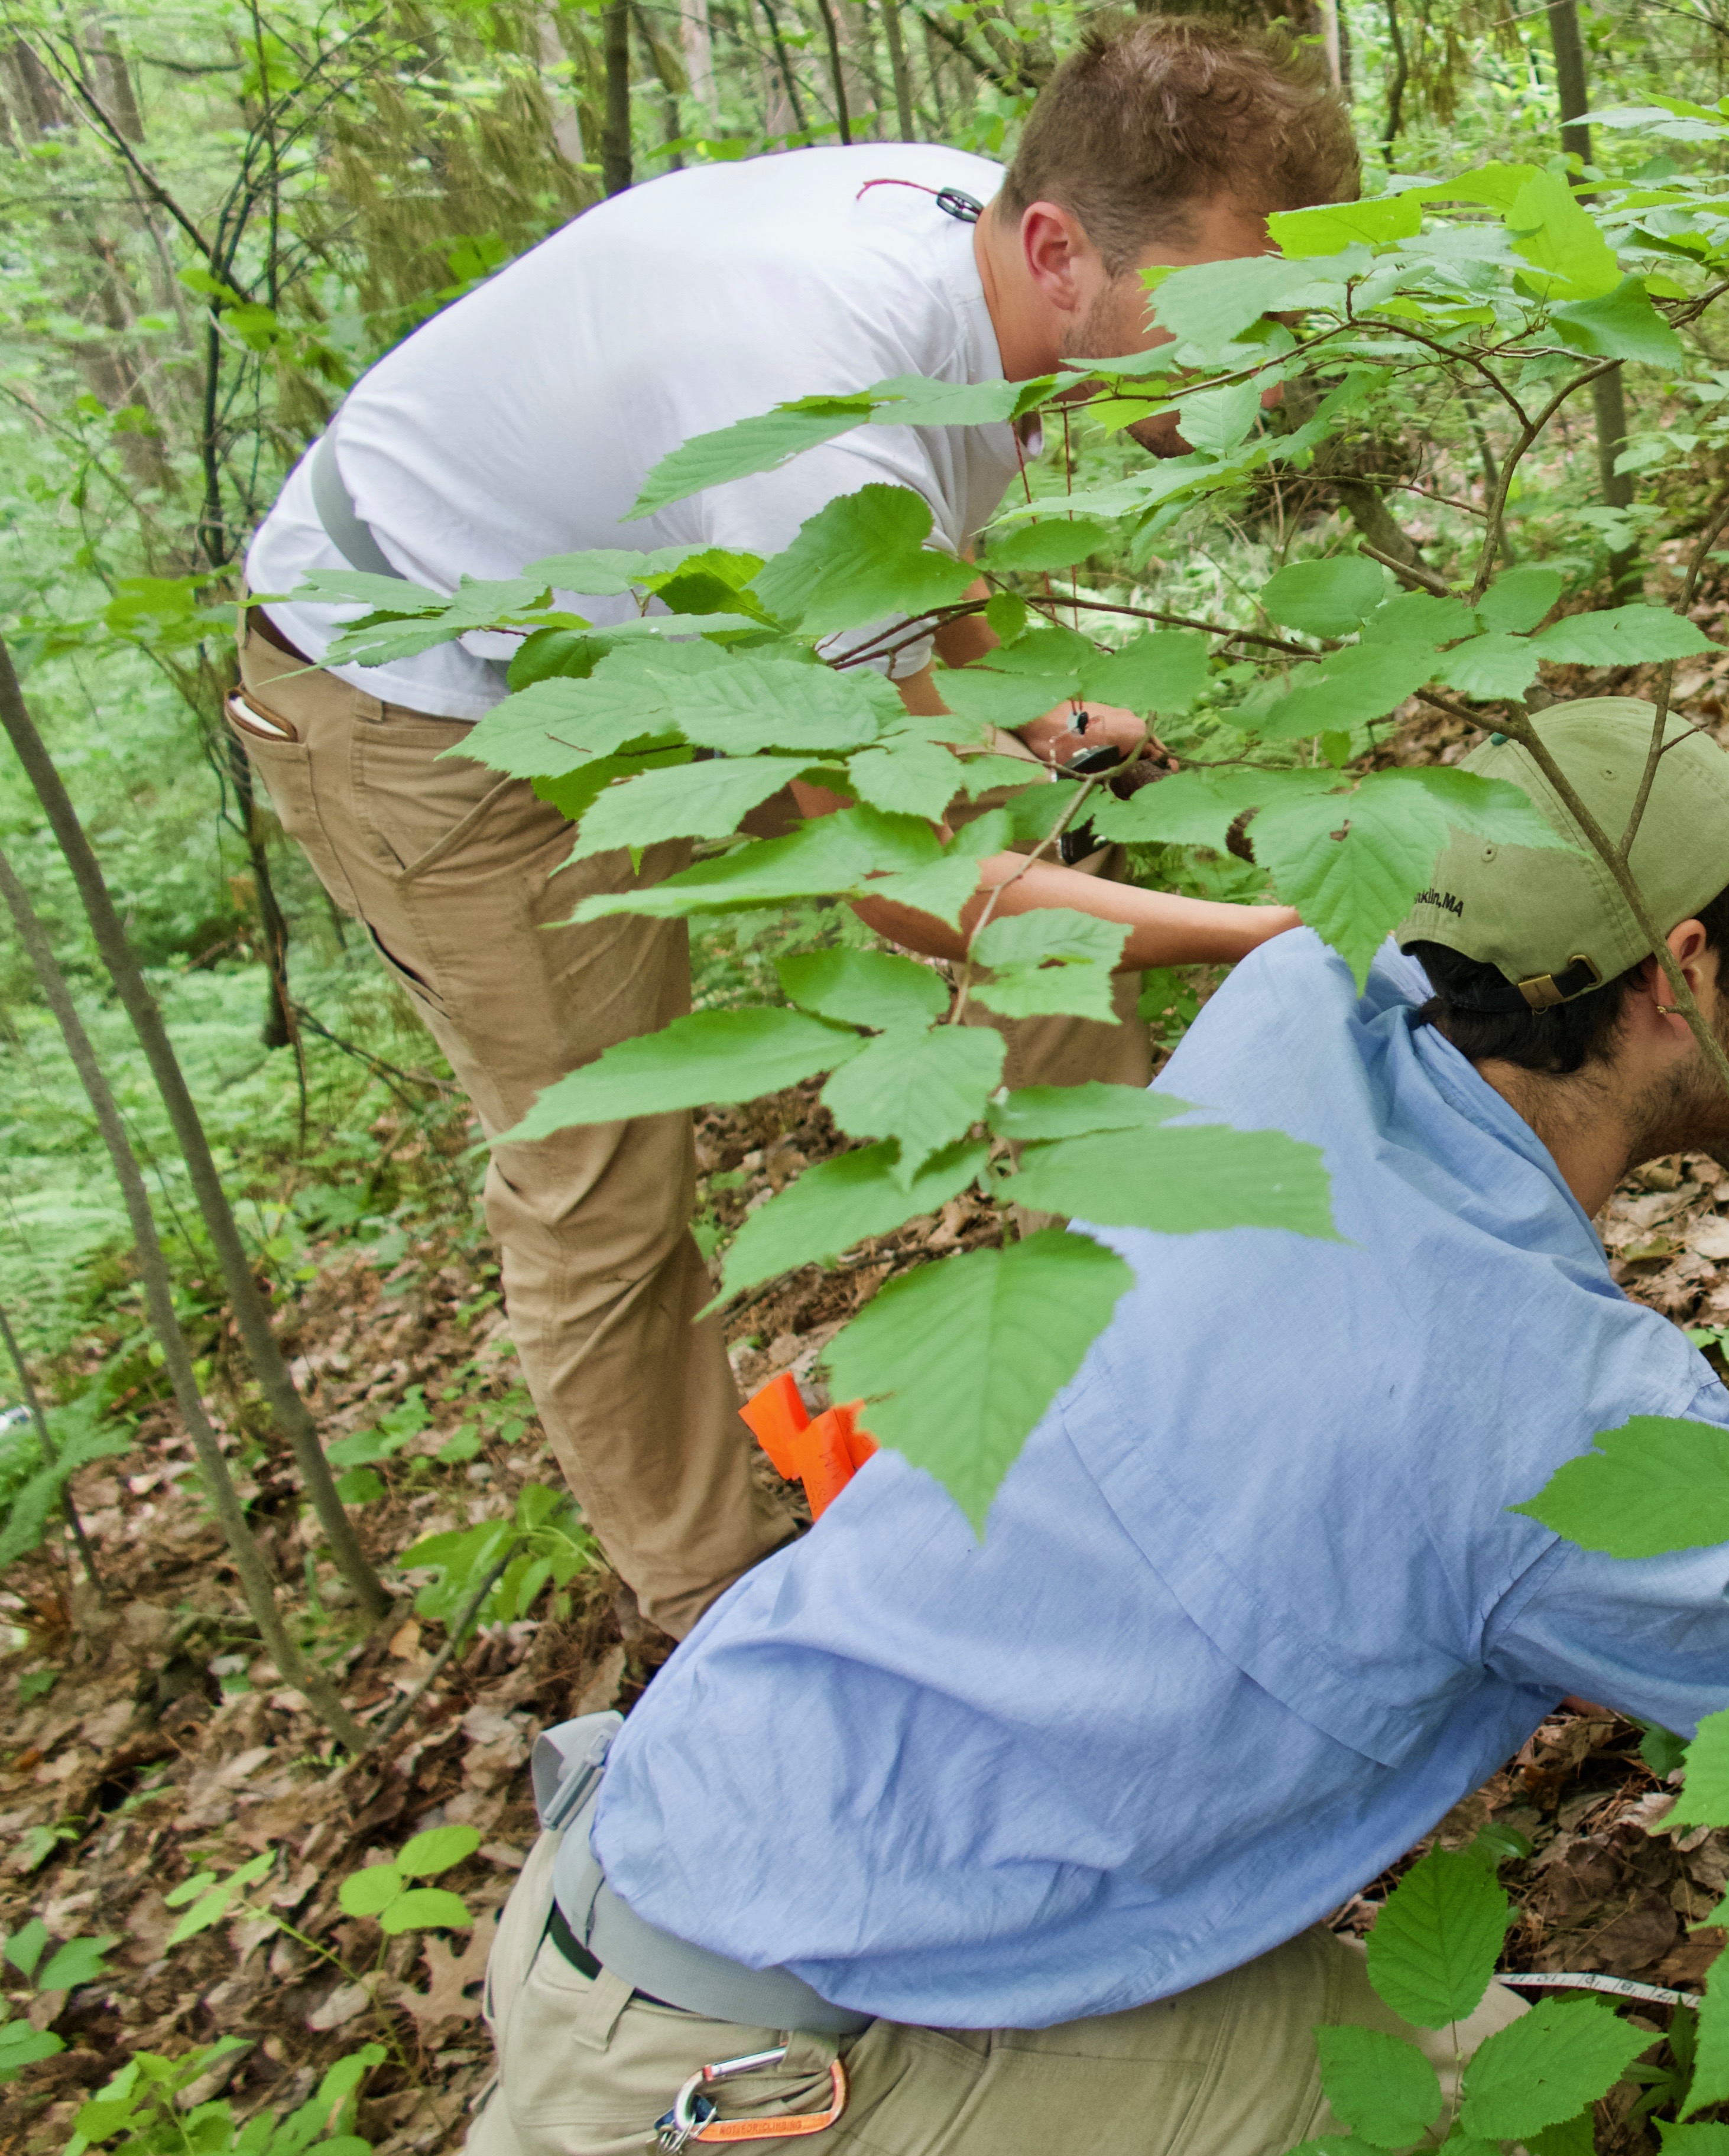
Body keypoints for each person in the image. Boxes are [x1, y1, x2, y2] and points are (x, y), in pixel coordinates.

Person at [459, 700, 1729, 2154]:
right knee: (1468, 2111)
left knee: (1455, 2050)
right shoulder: (1552, 1419)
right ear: (1683, 975)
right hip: (777, 2075)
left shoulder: (1298, 1010)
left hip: (687, 1840)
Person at [228, 20, 1357, 1636]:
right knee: (600, 1168)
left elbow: (898, 556)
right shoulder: (811, 398)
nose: (1260, 355)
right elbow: (909, 890)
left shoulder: (992, 263)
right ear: (1059, 251)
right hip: (422, 695)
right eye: (1226, 310)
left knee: (1049, 920)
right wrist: (1264, 938)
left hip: (663, 601)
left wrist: (1025, 713)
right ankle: (724, 1616)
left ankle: (1149, 1355)